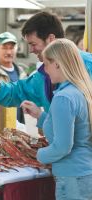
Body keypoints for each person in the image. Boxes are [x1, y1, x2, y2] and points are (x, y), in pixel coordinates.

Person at [0, 11, 92, 113]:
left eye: (33, 44)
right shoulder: (44, 75)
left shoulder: (89, 64)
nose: (31, 50)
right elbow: (20, 91)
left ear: (51, 39)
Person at [21, 38, 92, 200]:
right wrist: (40, 115)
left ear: (57, 64)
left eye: (46, 64)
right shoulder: (81, 90)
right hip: (85, 174)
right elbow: (72, 128)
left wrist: (38, 155)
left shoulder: (63, 97)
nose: (45, 71)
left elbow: (62, 147)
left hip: (72, 178)